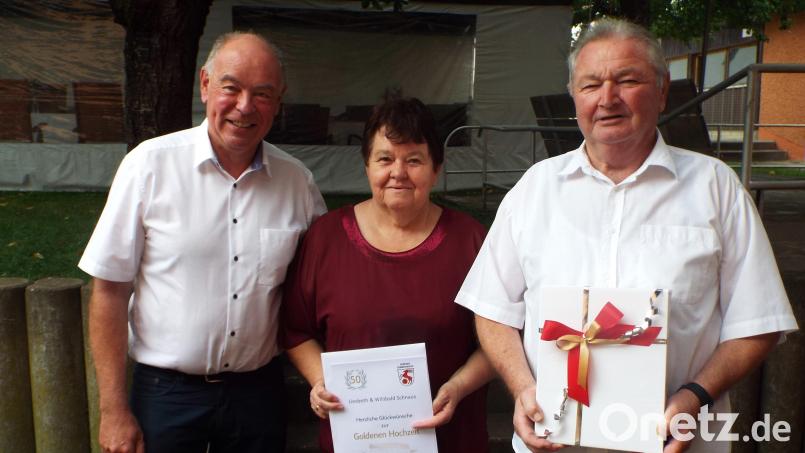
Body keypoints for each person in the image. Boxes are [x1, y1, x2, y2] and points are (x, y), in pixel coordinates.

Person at [455, 18, 798, 453]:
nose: (607, 98)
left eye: (627, 80)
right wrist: (524, 388)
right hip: (552, 443)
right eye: (590, 85)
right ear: (574, 96)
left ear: (662, 90)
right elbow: (492, 309)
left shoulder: (715, 187)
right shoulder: (534, 189)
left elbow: (758, 321)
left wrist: (696, 395)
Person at [79, 32, 326, 453]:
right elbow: (109, 291)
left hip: (258, 394)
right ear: (206, 84)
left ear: (279, 101)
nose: (245, 106)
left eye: (262, 94)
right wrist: (113, 410)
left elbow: (322, 286)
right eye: (232, 88)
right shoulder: (148, 166)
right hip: (166, 395)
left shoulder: (297, 183)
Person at [280, 97, 495, 453]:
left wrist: (458, 387)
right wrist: (321, 381)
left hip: (450, 436)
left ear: (436, 168)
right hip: (354, 439)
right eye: (385, 159)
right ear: (366, 165)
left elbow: (499, 339)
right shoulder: (326, 238)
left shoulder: (470, 240)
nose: (399, 172)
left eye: (414, 160)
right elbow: (296, 330)